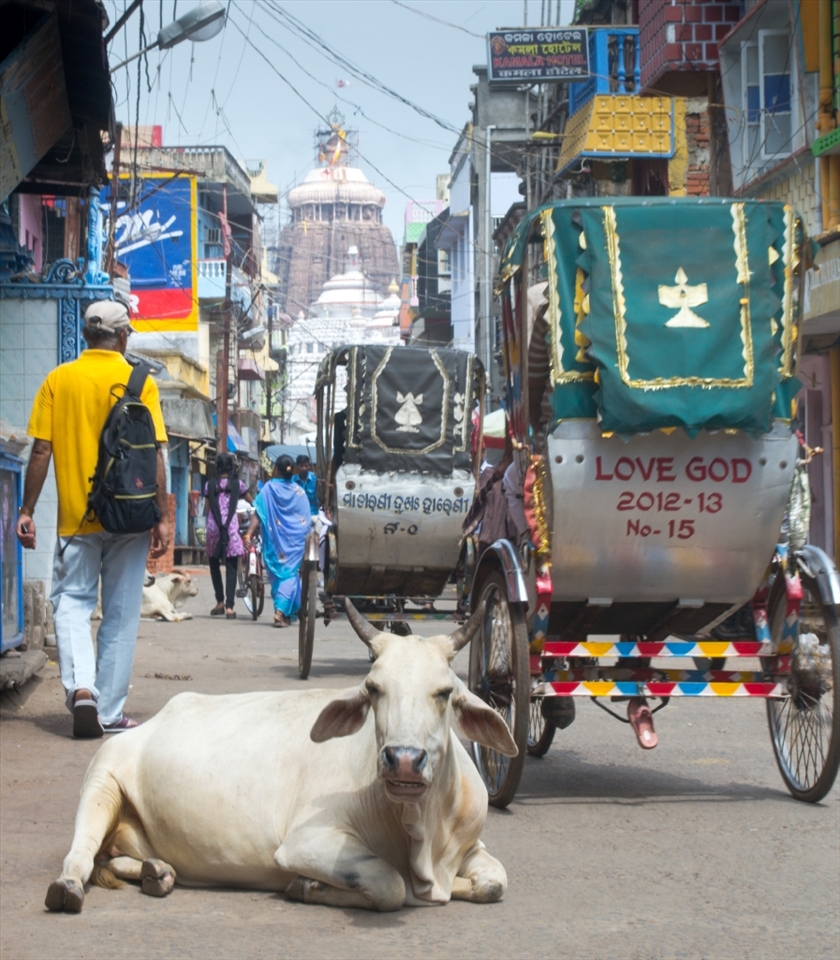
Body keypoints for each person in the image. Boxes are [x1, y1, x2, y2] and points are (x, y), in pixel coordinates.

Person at [15, 301, 169, 738]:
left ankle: (82, 688)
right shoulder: (141, 381)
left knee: (72, 604)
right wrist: (159, 516)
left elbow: (41, 451)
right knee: (120, 614)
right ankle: (110, 712)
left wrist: (26, 510)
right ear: (123, 337)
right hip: (132, 514)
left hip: (77, 517)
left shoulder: (57, 380)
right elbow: (156, 451)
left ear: (85, 335)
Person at [246, 455, 309, 627]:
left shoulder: (268, 489)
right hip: (295, 546)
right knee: (290, 575)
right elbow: (305, 521)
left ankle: (284, 611)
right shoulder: (300, 493)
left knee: (282, 578)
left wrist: (249, 534)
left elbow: (258, 514)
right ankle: (280, 612)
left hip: (274, 544)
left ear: (276, 470)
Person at [204, 454, 251, 619]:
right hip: (231, 529)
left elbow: (208, 509)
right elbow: (251, 501)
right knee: (231, 567)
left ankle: (219, 602)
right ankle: (230, 607)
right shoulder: (238, 485)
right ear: (232, 467)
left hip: (213, 528)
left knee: (214, 563)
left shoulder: (209, 485)